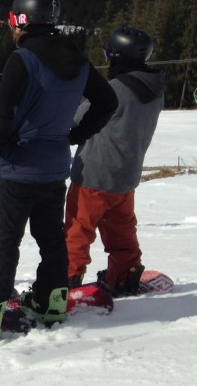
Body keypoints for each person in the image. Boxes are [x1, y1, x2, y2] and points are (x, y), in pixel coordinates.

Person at [0, 0, 118, 343]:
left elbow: (2, 112)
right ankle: (50, 300)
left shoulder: (23, 59)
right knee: (51, 238)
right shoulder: (77, 59)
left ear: (20, 21)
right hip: (54, 168)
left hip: (18, 169)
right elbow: (107, 101)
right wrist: (74, 134)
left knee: (5, 245)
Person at [65, 25, 164, 295]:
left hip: (94, 174)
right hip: (126, 177)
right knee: (122, 231)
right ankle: (125, 276)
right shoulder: (155, 90)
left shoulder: (116, 89)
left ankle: (67, 280)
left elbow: (75, 119)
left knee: (77, 229)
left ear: (117, 56)